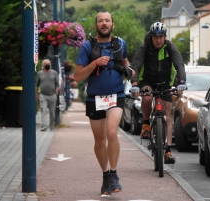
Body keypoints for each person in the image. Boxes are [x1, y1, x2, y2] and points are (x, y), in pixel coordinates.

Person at [74, 11, 134, 196]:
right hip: (94, 97)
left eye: (107, 21)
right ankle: (106, 175)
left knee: (111, 133)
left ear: (112, 25)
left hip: (116, 95)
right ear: (96, 26)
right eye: (101, 21)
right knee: (100, 141)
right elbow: (77, 76)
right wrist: (95, 63)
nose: (104, 23)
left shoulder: (120, 43)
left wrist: (130, 70)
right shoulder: (86, 47)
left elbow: (125, 61)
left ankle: (114, 173)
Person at [130, 22, 187, 164]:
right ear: (151, 36)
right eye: (155, 37)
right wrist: (135, 83)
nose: (158, 40)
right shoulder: (145, 47)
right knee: (147, 98)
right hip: (147, 80)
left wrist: (181, 82)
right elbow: (136, 65)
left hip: (165, 83)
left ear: (165, 36)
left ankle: (167, 151)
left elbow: (179, 64)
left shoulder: (170, 47)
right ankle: (146, 124)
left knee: (168, 118)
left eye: (161, 37)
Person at [35, 59, 59, 131]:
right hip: (43, 95)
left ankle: (51, 126)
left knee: (52, 112)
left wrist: (56, 92)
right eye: (46, 64)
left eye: (49, 63)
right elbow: (37, 85)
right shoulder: (40, 73)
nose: (48, 65)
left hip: (52, 95)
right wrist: (36, 94)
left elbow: (57, 84)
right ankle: (44, 126)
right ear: (43, 65)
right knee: (43, 110)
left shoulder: (54, 73)